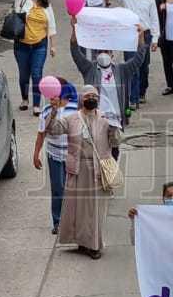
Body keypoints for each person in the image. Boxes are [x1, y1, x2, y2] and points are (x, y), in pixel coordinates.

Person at [45, 85, 120, 259]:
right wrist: (54, 111)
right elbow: (53, 130)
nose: (91, 98)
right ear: (81, 99)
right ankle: (81, 242)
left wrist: (115, 127)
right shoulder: (72, 118)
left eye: (94, 95)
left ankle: (94, 246)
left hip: (98, 170)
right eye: (88, 96)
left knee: (94, 211)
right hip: (78, 170)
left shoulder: (105, 118)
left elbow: (115, 142)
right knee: (77, 209)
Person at [70, 23, 147, 130]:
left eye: (106, 52)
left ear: (112, 55)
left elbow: (138, 59)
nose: (103, 54)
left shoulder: (122, 70)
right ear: (95, 55)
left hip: (116, 120)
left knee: (114, 146)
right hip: (95, 120)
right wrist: (74, 30)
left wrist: (141, 37)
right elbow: (75, 52)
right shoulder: (89, 69)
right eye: (99, 52)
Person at [33, 79, 79, 233]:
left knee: (73, 189)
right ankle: (57, 222)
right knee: (58, 189)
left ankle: (74, 220)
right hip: (54, 155)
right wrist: (36, 153)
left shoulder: (74, 108)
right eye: (50, 96)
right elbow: (42, 133)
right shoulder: (46, 110)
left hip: (72, 154)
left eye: (54, 96)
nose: (51, 98)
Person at [12, 0, 56, 113]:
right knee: (24, 74)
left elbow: (51, 25)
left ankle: (37, 105)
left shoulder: (46, 5)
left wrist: (53, 46)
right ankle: (25, 99)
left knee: (37, 74)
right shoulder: (21, 0)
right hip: (21, 46)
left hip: (40, 45)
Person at [111, 0, 159, 109]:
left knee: (144, 66)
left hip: (145, 35)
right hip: (130, 36)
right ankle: (133, 98)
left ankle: (141, 92)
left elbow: (154, 19)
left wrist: (155, 39)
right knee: (132, 67)